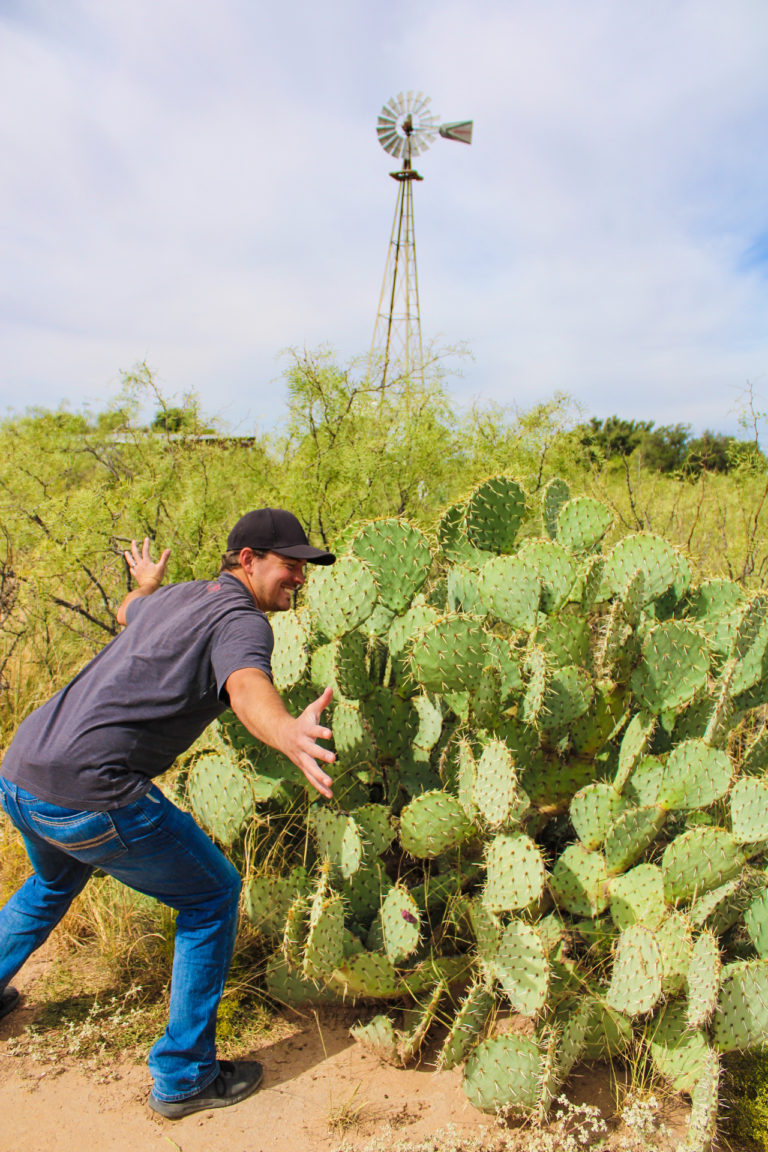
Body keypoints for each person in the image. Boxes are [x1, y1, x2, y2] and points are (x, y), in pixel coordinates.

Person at [0, 508, 336, 1118]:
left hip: (23, 770)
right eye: (289, 565)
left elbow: (128, 611)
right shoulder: (242, 620)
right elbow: (244, 683)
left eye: (303, 567)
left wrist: (147, 586)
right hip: (91, 791)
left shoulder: (181, 596)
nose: (299, 577)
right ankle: (184, 1078)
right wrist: (286, 730)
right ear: (247, 560)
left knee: (53, 880)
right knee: (211, 896)